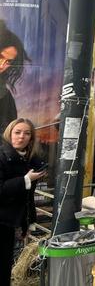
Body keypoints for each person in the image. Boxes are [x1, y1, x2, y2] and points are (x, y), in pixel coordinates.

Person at [0, 118, 45, 284]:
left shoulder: (30, 160)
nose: (22, 137)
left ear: (31, 138)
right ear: (9, 134)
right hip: (2, 219)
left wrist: (28, 222)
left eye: (27, 133)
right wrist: (25, 179)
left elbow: (28, 197)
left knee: (5, 265)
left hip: (10, 221)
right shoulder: (2, 156)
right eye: (17, 132)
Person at [0, 22, 28, 132]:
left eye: (9, 61)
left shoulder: (5, 97)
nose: (2, 65)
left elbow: (7, 134)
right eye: (1, 56)